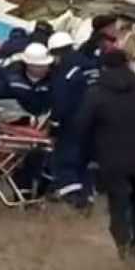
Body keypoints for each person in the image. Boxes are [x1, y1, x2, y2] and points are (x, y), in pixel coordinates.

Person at [75, 50, 135, 263]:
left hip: (109, 159)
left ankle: (123, 245)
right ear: (128, 64)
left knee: (118, 203)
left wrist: (85, 157)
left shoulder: (95, 94)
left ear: (103, 67)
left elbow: (82, 128)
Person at [47, 32, 90, 209]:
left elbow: (61, 102)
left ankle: (73, 198)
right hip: (93, 120)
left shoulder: (65, 72)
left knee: (66, 159)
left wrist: (54, 126)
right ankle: (87, 194)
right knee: (84, 160)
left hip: (71, 123)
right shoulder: (88, 65)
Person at [6, 44, 55, 119]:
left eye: (47, 65)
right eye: (40, 66)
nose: (46, 68)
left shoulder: (53, 81)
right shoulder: (13, 83)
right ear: (29, 65)